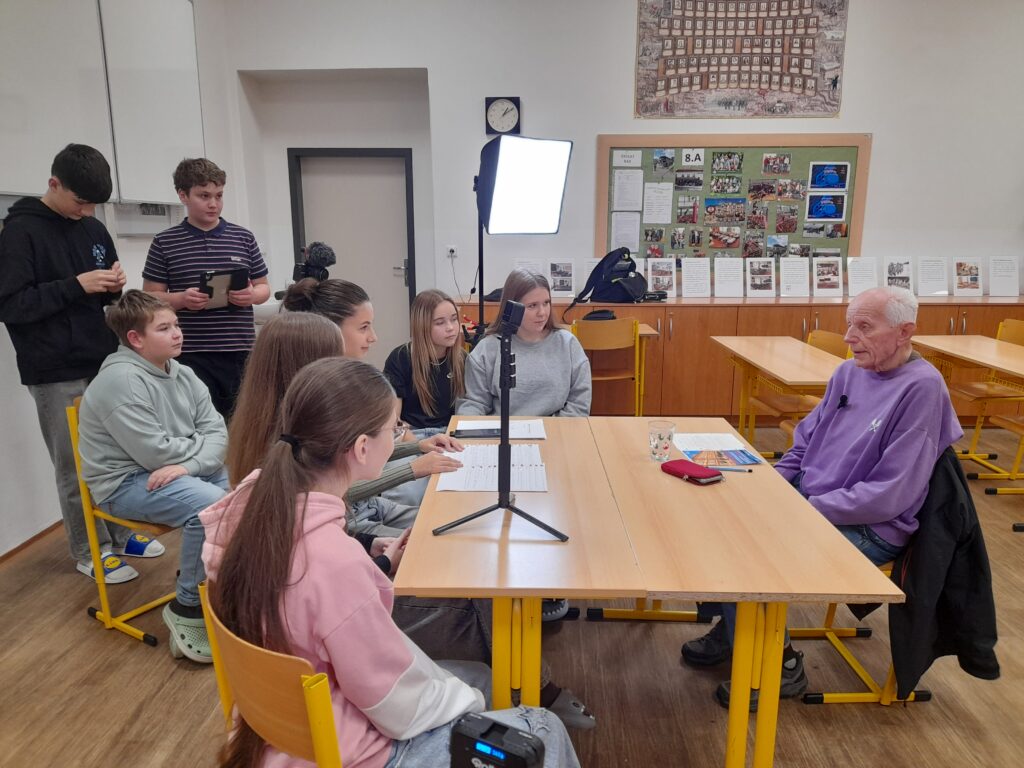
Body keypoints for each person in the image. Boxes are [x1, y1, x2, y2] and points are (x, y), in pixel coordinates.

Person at [200, 358, 581, 767]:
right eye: (393, 429)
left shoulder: (245, 505)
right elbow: (397, 706)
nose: (399, 436)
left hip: (274, 729)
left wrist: (374, 564)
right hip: (352, 749)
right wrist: (467, 701)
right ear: (362, 448)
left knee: (484, 679)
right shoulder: (333, 561)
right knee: (541, 726)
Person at [682, 286, 963, 709]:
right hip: (813, 502)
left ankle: (781, 666)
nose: (850, 337)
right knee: (728, 519)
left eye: (864, 327)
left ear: (905, 332)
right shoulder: (849, 372)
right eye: (849, 324)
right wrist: (772, 486)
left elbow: (890, 494)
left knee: (753, 556)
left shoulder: (922, 388)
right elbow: (804, 443)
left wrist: (805, 509)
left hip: (870, 524)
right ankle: (736, 631)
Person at [0, 143, 164, 583]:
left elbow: (103, 295)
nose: (87, 211)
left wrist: (113, 285)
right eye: (80, 201)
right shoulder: (19, 233)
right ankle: (91, 549)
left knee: (118, 456)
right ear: (54, 184)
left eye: (93, 204)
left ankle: (120, 533)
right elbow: (11, 304)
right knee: (74, 466)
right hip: (54, 369)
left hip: (103, 360)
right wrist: (76, 285)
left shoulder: (92, 228)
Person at [78, 290, 229, 662]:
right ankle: (187, 604)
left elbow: (219, 433)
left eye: (176, 324)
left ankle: (215, 583)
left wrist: (188, 465)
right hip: (125, 482)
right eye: (164, 328)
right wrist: (198, 450)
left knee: (232, 500)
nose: (177, 333)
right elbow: (154, 454)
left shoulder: (183, 372)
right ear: (135, 338)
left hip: (175, 472)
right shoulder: (120, 381)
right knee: (211, 507)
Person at [283, 278, 462, 528]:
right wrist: (412, 467)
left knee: (453, 522)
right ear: (330, 330)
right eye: (364, 327)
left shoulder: (344, 381)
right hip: (347, 520)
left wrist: (418, 447)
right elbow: (339, 488)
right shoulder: (318, 399)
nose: (374, 337)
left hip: (366, 508)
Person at [142, 158, 270, 418]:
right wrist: (181, 299)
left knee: (241, 420)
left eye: (219, 196)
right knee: (198, 420)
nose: (214, 204)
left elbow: (263, 288)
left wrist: (251, 296)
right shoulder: (165, 242)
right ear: (183, 195)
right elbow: (149, 297)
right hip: (190, 352)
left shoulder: (243, 237)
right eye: (204, 196)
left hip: (239, 349)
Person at [457, 269, 591, 417]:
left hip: (557, 428)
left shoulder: (567, 344)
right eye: (532, 306)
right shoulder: (487, 349)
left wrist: (554, 428)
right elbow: (473, 404)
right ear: (512, 308)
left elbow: (579, 404)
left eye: (546, 303)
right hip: (503, 428)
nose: (542, 313)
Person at [384, 289, 466, 431]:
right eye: (440, 323)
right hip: (413, 434)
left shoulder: (462, 358)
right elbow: (393, 421)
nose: (450, 328)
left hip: (450, 433)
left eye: (454, 319)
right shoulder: (400, 358)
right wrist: (415, 441)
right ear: (422, 326)